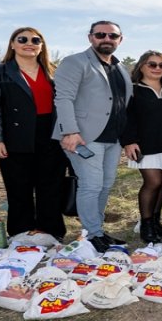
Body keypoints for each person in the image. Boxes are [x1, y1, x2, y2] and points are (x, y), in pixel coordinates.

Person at [53, 21, 133, 253]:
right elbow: (63, 98)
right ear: (90, 37)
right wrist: (69, 131)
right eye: (100, 34)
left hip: (113, 138)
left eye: (112, 35)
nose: (107, 38)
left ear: (120, 39)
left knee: (105, 185)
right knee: (91, 185)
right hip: (83, 137)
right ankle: (92, 234)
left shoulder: (120, 68)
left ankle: (97, 230)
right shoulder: (75, 62)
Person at [0, 27, 68, 239]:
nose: (29, 43)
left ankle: (51, 231)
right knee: (18, 188)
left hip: (51, 135)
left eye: (35, 40)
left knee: (51, 186)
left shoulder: (54, 71)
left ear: (42, 46)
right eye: (22, 39)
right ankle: (21, 233)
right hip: (15, 135)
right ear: (12, 44)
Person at [122, 50, 162, 244]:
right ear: (141, 66)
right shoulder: (132, 89)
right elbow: (125, 118)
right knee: (153, 182)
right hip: (144, 145)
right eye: (152, 64)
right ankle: (146, 225)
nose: (157, 68)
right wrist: (128, 141)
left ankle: (156, 223)